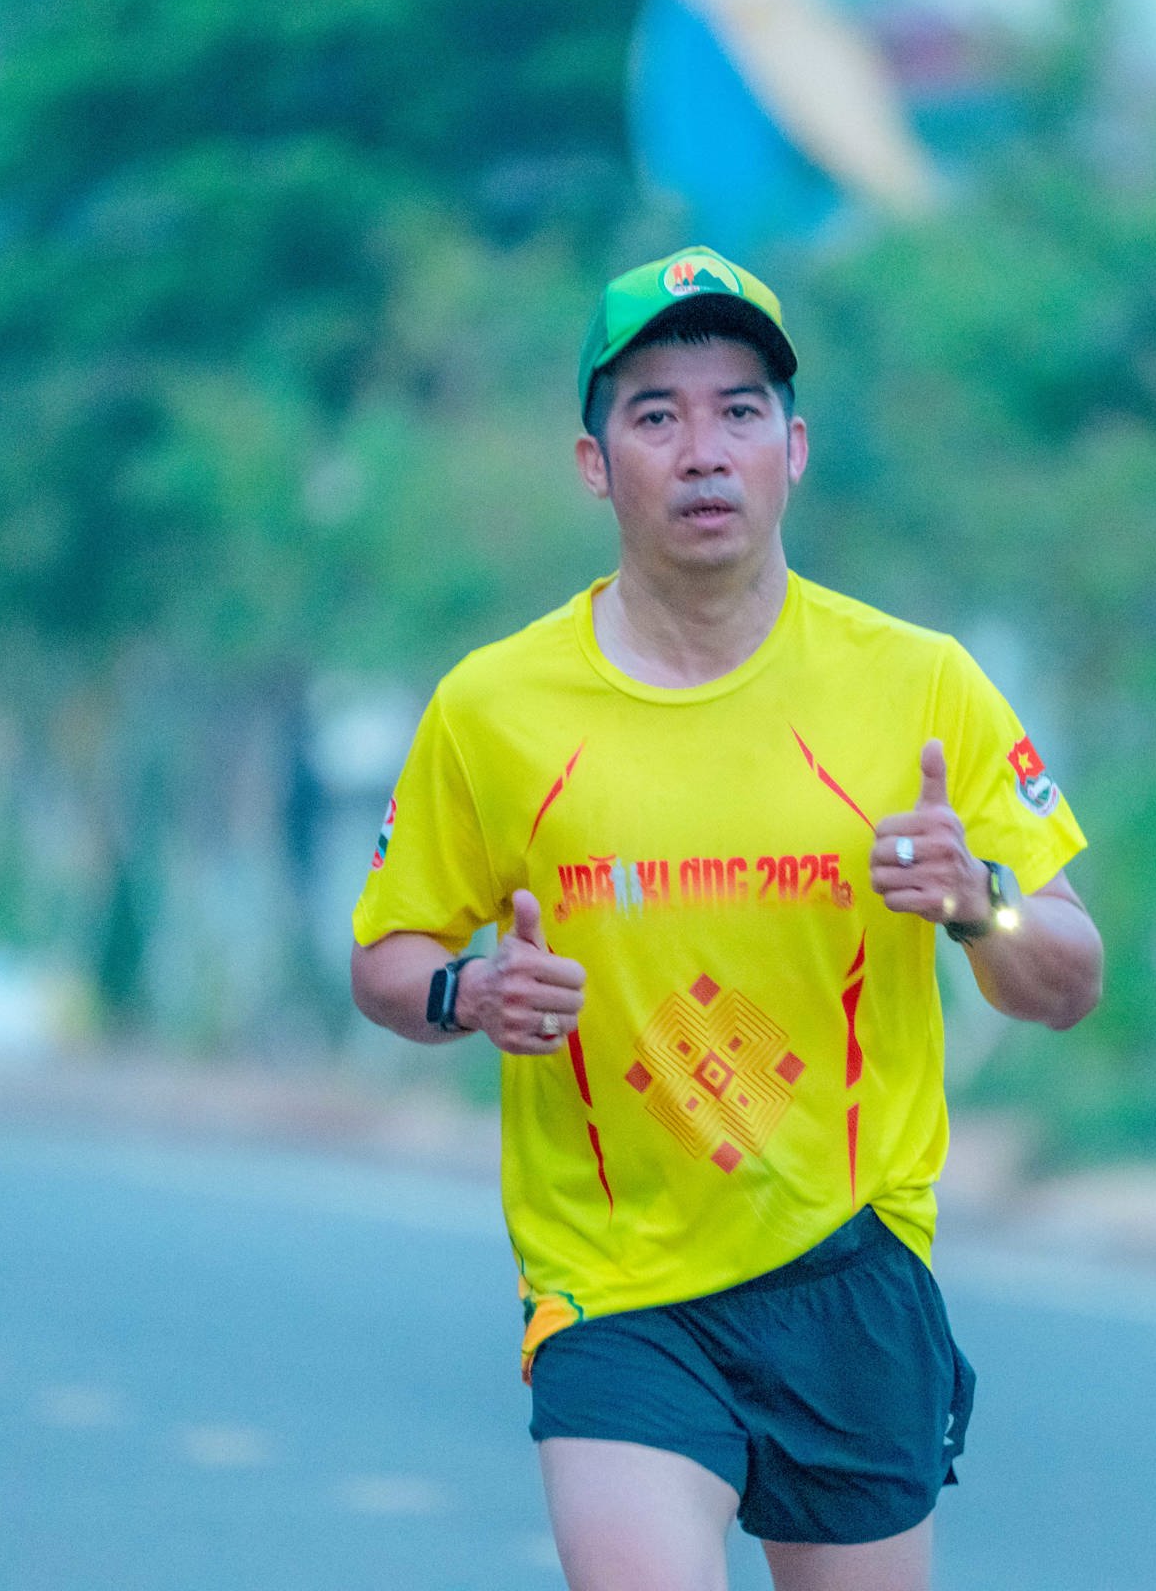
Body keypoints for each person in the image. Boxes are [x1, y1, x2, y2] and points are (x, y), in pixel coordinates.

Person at [349, 245, 1102, 1591]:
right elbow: (385, 958)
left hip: (849, 1262)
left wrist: (976, 902)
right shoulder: (494, 709)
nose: (704, 451)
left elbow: (1071, 974)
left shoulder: (919, 684)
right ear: (595, 463)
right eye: (657, 415)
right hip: (614, 1282)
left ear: (792, 449)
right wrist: (471, 993)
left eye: (739, 410)